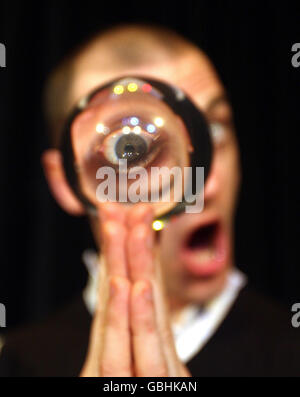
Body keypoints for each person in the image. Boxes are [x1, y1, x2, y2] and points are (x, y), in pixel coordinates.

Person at [0, 24, 299, 377]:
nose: (205, 183)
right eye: (132, 149)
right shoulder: (15, 361)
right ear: (69, 181)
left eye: (215, 130)